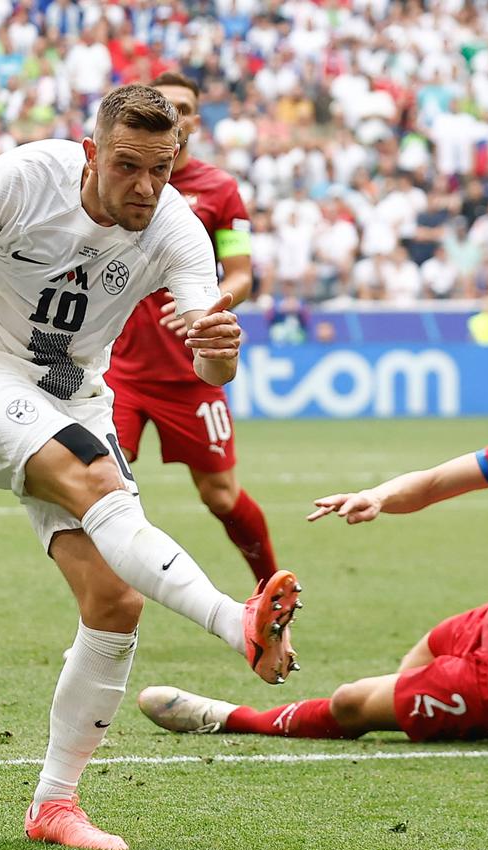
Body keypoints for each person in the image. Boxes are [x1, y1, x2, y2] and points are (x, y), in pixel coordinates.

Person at [0, 84, 307, 850]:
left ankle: (54, 804)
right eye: (128, 167)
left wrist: (221, 352)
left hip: (76, 398)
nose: (146, 187)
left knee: (115, 600)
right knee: (100, 484)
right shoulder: (21, 179)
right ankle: (234, 619)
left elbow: (211, 368)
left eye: (162, 168)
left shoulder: (177, 229)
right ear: (91, 153)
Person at [141, 338, 488, 752]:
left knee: (351, 704)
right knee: (414, 663)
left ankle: (234, 717)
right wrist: (378, 496)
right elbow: (441, 481)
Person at [104, 72, 278, 585]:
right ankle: (105, 612)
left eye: (183, 108)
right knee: (103, 485)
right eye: (165, 106)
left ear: (194, 122)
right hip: (122, 371)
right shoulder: (120, 181)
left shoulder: (220, 190)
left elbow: (242, 274)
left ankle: (273, 592)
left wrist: (203, 308)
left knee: (220, 495)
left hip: (192, 373)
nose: (174, 115)